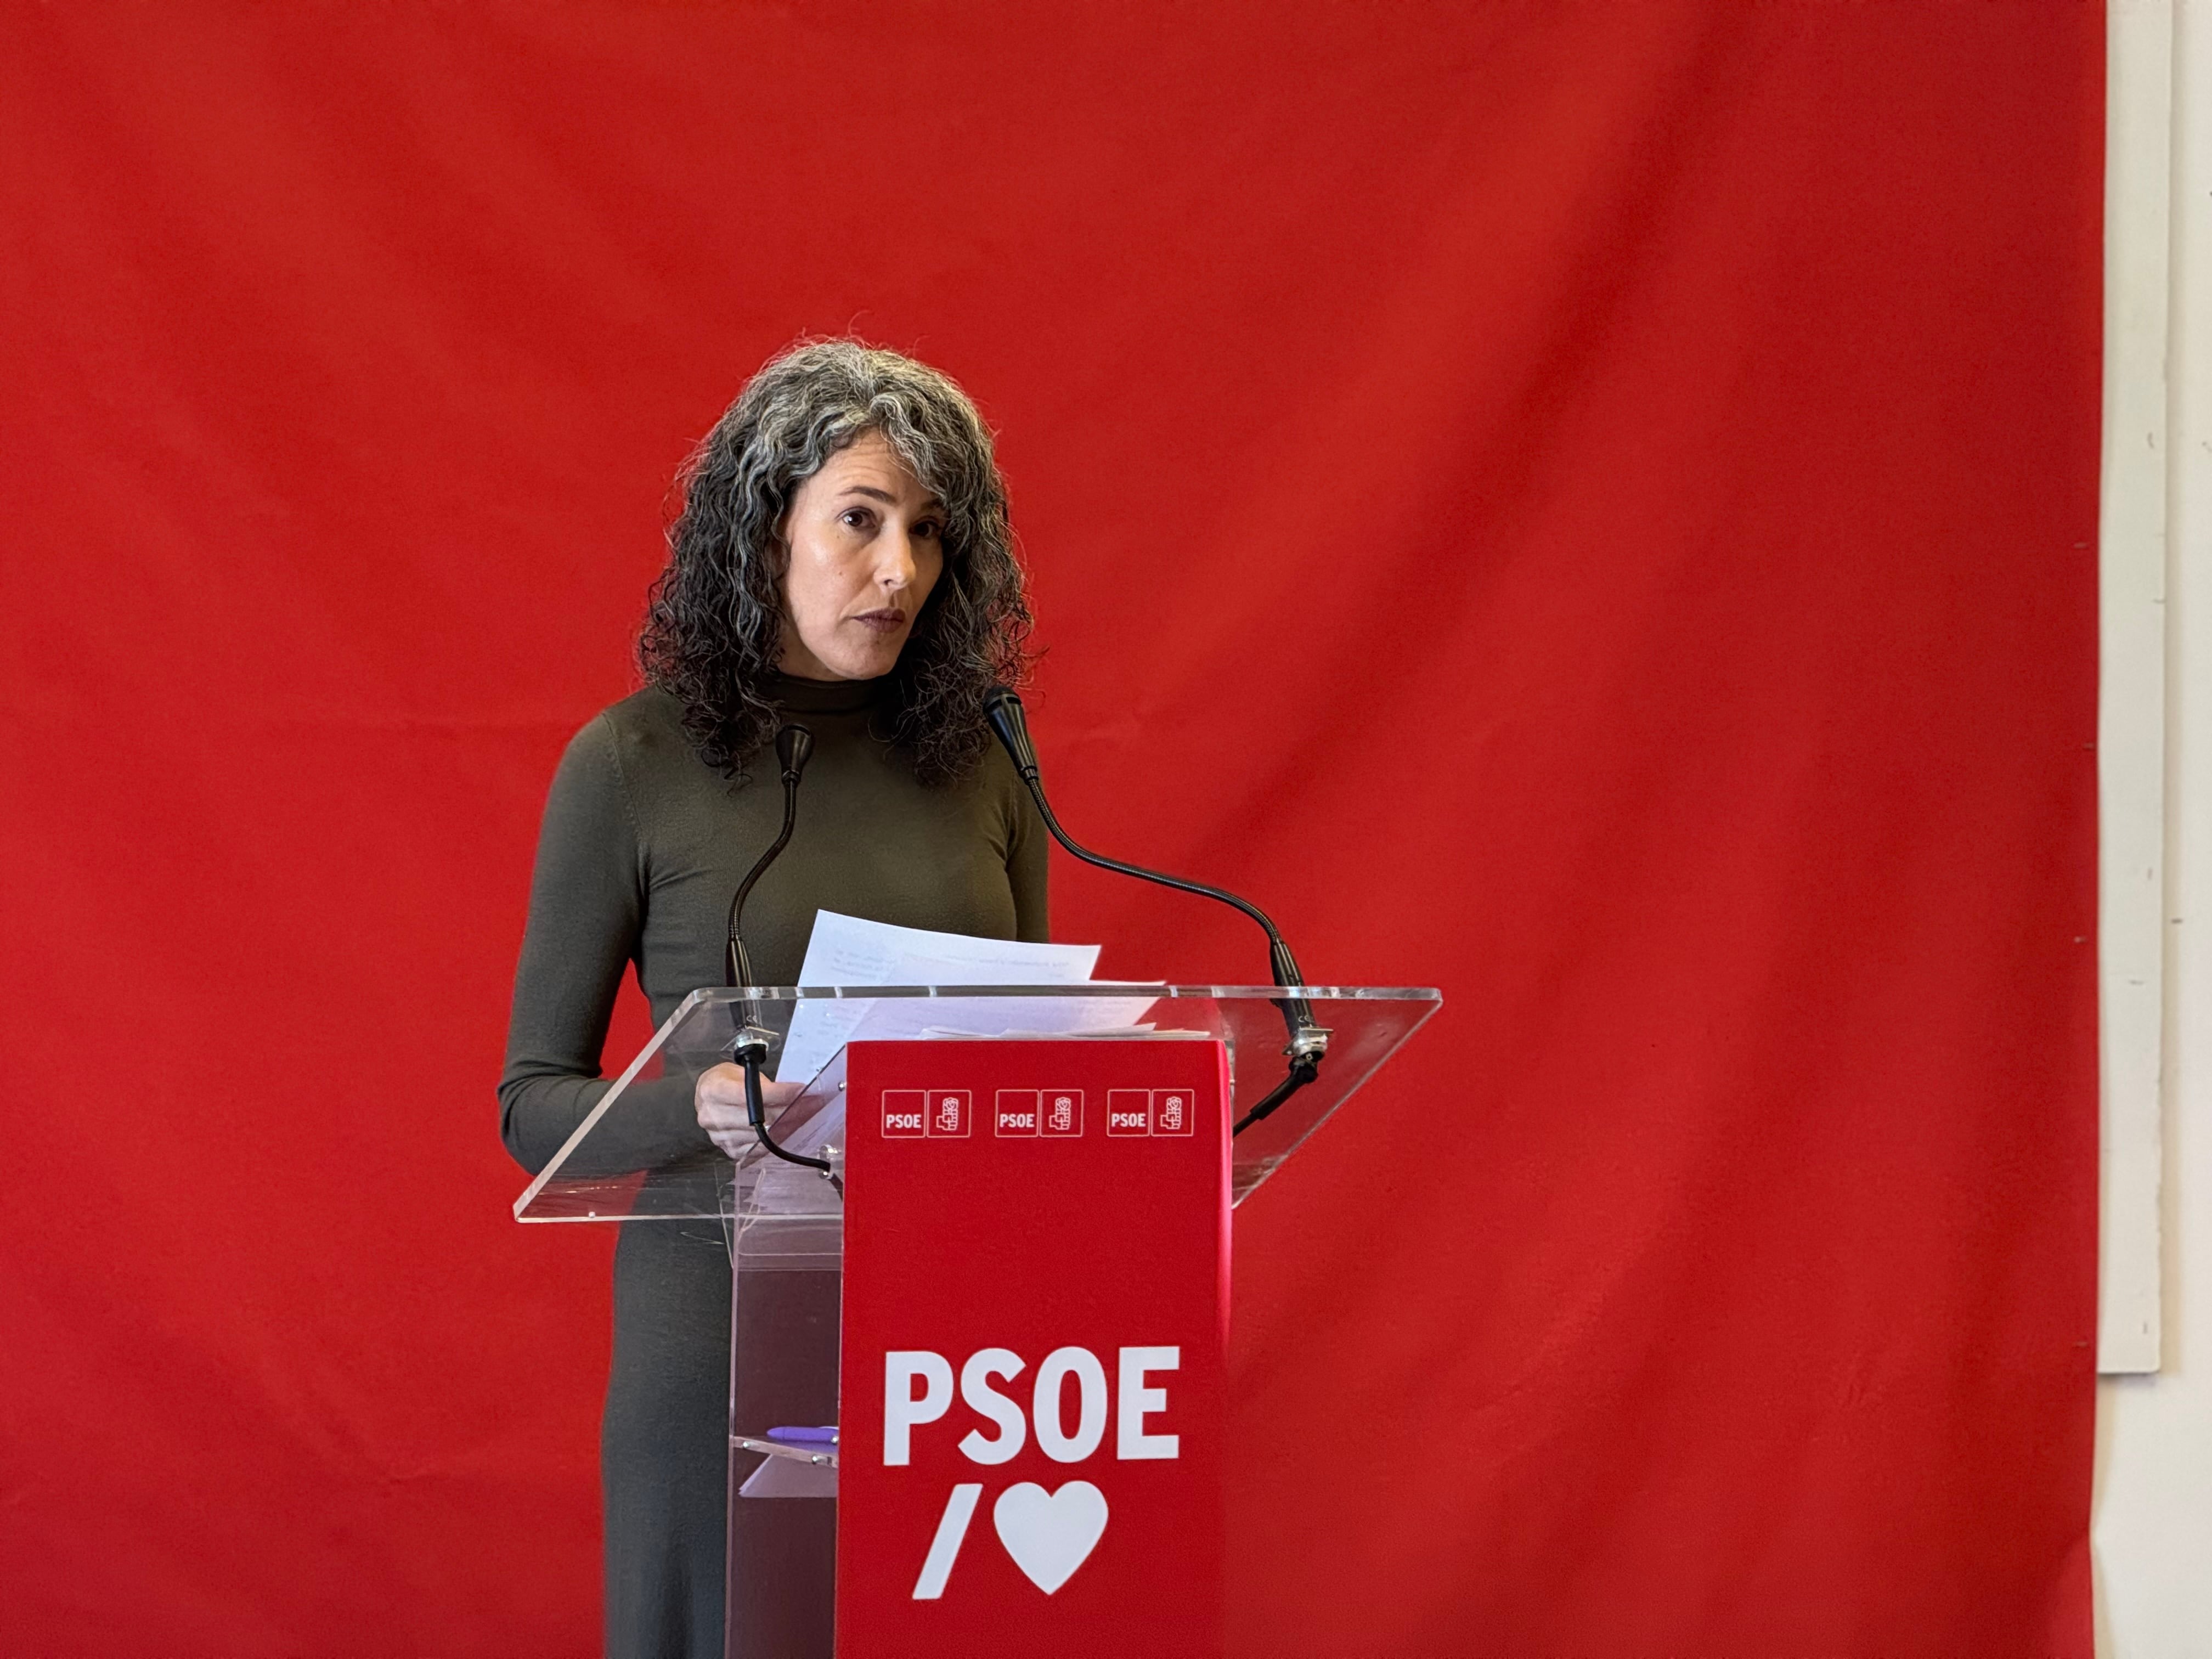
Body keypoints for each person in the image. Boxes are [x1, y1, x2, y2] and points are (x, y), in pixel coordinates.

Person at [498, 340, 1046, 1659]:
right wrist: (694, 1097)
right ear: (763, 531)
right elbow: (535, 1108)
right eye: (858, 520)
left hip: (962, 1337)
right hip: (720, 1315)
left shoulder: (986, 759)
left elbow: (1030, 1057)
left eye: (926, 531)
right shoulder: (631, 762)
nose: (900, 570)